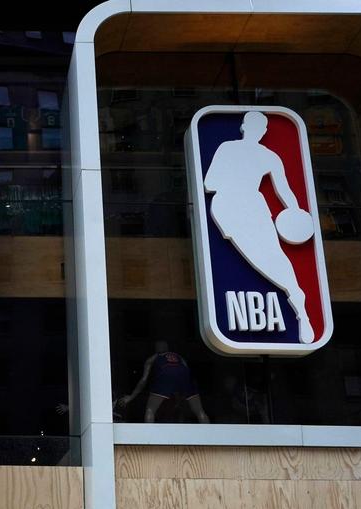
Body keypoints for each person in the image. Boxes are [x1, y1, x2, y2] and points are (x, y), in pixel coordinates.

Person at [203, 110, 315, 342]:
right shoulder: (269, 156)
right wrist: (294, 212)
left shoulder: (228, 148)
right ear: (263, 131)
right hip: (246, 205)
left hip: (232, 204)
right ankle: (296, 298)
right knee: (271, 256)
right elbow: (285, 192)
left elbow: (210, 182)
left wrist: (294, 212)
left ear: (244, 127)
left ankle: (296, 299)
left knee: (267, 256)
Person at [117, 341, 209, 423]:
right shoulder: (179, 357)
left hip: (165, 376)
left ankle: (150, 438)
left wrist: (131, 397)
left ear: (156, 349)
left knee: (150, 410)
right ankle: (209, 436)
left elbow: (144, 380)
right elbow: (186, 374)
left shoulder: (152, 359)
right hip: (185, 377)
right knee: (200, 411)